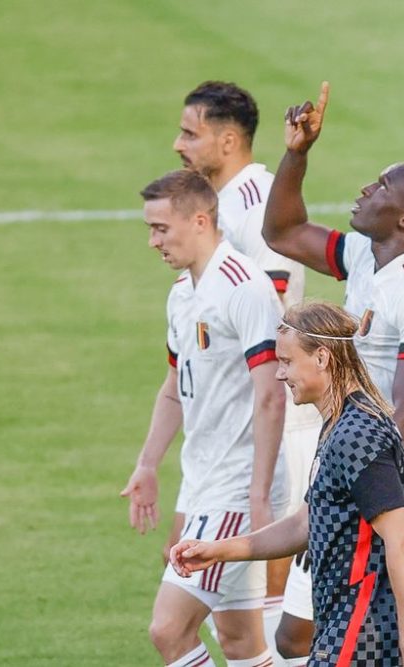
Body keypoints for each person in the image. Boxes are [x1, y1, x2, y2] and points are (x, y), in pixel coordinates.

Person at [260, 83, 404, 667]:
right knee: (297, 635)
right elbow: (281, 232)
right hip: (355, 467)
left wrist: (354, 479)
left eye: (378, 186)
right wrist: (298, 154)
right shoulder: (366, 258)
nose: (363, 190)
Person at [170, 302, 404, 667]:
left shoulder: (357, 434)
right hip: (344, 627)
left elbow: (401, 538)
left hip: (365, 633)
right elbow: (305, 524)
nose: (280, 374)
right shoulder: (340, 425)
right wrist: (218, 550)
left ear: (323, 357)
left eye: (287, 361)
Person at [171, 80, 323, 660]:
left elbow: (274, 314)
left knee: (273, 594)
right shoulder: (218, 205)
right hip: (237, 424)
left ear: (228, 140)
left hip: (276, 419)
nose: (179, 145)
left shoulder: (254, 202)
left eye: (192, 133)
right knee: (236, 609)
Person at [119, 169, 288, 667]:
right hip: (203, 482)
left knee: (169, 629)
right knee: (240, 643)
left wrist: (259, 495)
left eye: (160, 229)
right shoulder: (182, 293)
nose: (152, 241)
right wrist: (147, 465)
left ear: (199, 220)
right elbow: (174, 390)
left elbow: (272, 396)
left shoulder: (244, 288)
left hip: (236, 489)